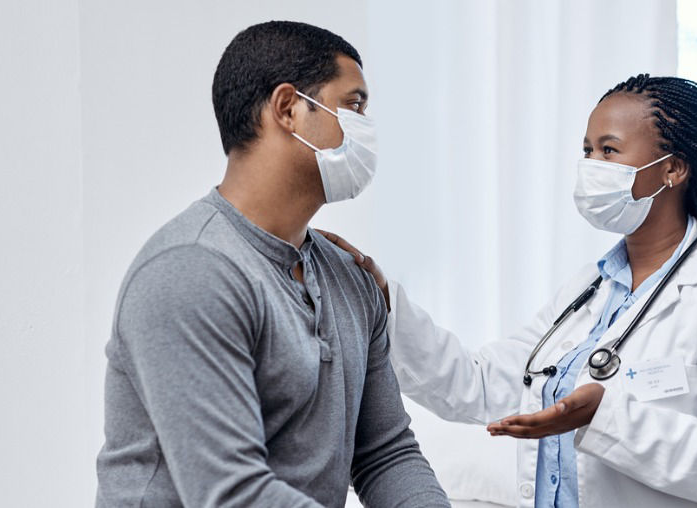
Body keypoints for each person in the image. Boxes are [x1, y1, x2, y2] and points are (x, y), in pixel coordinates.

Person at [322, 74, 697, 507]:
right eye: (587, 151)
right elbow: (480, 385)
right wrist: (383, 301)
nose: (591, 166)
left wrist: (605, 417)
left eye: (609, 151)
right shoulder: (589, 291)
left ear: (672, 170)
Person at [95, 21, 449, 508]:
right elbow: (233, 493)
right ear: (288, 109)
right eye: (355, 105)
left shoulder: (351, 278)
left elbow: (385, 453)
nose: (367, 127)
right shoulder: (191, 271)